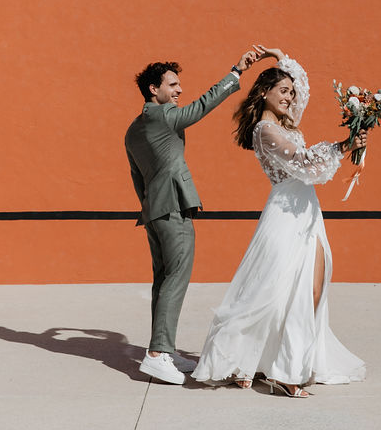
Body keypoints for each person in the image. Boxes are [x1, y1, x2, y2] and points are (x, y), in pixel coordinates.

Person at [192, 47, 366, 397]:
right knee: (269, 294)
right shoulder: (265, 131)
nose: (291, 97)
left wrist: (277, 55)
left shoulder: (286, 122)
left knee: (313, 290)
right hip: (286, 215)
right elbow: (303, 163)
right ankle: (283, 372)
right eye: (283, 91)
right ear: (264, 94)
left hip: (308, 213)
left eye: (292, 92)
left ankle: (275, 362)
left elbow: (300, 82)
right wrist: (344, 145)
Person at [126, 48, 259, 385]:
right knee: (177, 277)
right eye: (173, 84)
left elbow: (137, 177)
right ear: (153, 90)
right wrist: (235, 73)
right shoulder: (162, 115)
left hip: (154, 210)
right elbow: (200, 108)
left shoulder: (132, 130)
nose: (179, 90)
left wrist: (150, 206)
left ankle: (163, 349)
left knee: (164, 279)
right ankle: (157, 354)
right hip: (173, 206)